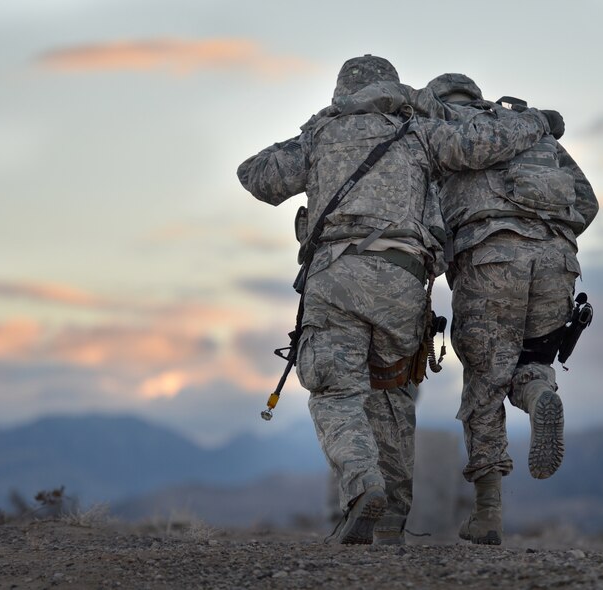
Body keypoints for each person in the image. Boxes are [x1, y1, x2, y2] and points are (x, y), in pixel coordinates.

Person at [238, 56, 561, 545]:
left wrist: (316, 126)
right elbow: (481, 144)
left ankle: (363, 485)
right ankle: (389, 523)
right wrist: (538, 121)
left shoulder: (322, 136)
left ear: (341, 92)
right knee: (391, 396)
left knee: (336, 390)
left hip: (337, 276)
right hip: (404, 285)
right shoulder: (420, 133)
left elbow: (255, 175)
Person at [426, 72, 599, 545]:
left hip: (490, 258)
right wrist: (547, 236)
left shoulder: (440, 132)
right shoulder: (529, 127)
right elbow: (586, 201)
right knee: (533, 359)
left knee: (484, 383)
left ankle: (487, 515)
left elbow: (423, 214)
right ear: (477, 97)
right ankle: (541, 396)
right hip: (558, 259)